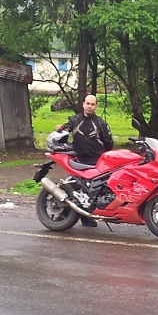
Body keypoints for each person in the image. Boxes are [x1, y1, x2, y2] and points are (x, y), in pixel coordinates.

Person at [55, 94, 114, 227]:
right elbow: (64, 131)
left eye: (92, 104)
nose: (89, 107)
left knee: (94, 192)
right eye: (87, 103)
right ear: (83, 104)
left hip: (96, 163)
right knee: (72, 189)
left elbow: (109, 143)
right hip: (78, 161)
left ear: (96, 106)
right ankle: (63, 216)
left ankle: (87, 217)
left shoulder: (101, 124)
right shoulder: (74, 120)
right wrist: (59, 128)